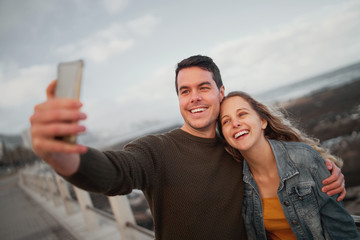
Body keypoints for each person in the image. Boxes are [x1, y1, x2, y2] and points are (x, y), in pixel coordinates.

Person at [30, 55, 346, 239]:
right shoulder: (156, 149)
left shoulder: (239, 145)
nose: (193, 97)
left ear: (221, 91)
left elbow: (285, 159)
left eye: (203, 87)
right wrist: (62, 155)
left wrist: (326, 169)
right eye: (184, 91)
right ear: (179, 99)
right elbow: (115, 173)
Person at [218, 91, 359, 239]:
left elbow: (341, 228)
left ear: (262, 121)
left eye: (242, 114)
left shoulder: (304, 158)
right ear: (225, 136)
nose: (235, 123)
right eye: (226, 121)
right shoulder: (236, 179)